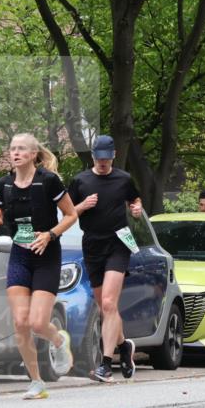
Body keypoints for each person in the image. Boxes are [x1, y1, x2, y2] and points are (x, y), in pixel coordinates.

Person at [0, 133, 77, 399]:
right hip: (20, 255)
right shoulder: (4, 185)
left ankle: (59, 340)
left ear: (33, 154)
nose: (15, 153)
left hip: (46, 254)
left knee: (38, 323)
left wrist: (50, 235)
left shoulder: (48, 181)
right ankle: (36, 381)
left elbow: (71, 215)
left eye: (21, 149)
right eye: (12, 148)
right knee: (20, 322)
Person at [68, 135, 144, 383]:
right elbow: (67, 212)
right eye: (99, 158)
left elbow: (135, 200)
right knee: (104, 307)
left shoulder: (123, 179)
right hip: (92, 244)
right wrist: (82, 207)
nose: (102, 163)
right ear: (93, 157)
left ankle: (106, 364)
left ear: (112, 157)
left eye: (106, 158)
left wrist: (136, 209)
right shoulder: (80, 181)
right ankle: (124, 346)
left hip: (118, 243)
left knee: (110, 304)